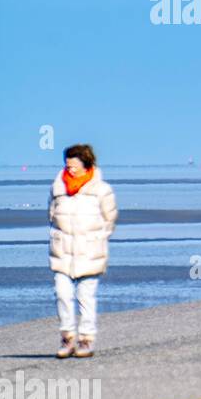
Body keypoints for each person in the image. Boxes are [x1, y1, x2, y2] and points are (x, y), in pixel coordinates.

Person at [49, 143, 118, 358]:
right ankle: (67, 337)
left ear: (86, 163)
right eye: (67, 164)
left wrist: (97, 239)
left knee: (86, 297)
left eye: (74, 164)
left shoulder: (101, 189)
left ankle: (86, 339)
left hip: (90, 253)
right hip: (62, 252)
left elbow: (110, 218)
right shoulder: (58, 187)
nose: (69, 168)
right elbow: (51, 214)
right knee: (62, 293)